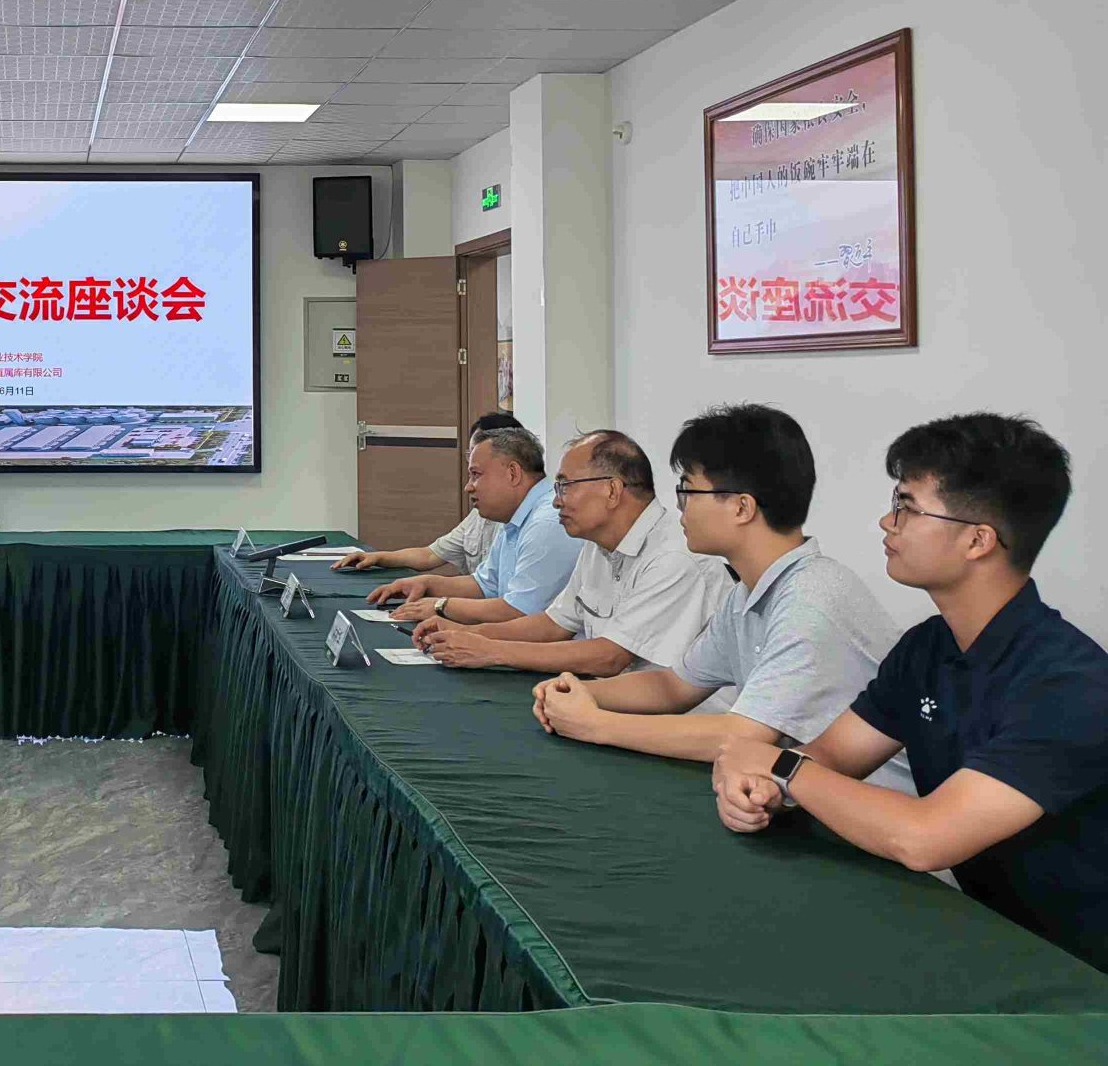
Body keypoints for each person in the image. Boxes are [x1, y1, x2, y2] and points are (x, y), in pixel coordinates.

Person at [712, 414, 1107, 973]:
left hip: (1080, 974)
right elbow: (833, 754)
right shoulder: (928, 646)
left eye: (907, 506)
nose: (886, 521)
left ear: (977, 540)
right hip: (988, 937)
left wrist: (776, 764)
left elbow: (925, 838)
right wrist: (759, 788)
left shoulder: (1071, 686)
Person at [532, 404, 904, 774]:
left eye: (688, 492)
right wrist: (578, 691)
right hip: (786, 791)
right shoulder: (748, 594)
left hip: (863, 798)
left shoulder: (809, 601)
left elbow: (741, 736)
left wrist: (595, 725)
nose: (680, 508)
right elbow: (673, 686)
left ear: (742, 508)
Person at [413, 430, 727, 673]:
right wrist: (470, 634)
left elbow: (610, 657)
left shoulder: (673, 557)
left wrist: (490, 651)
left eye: (566, 486)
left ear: (612, 490)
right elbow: (554, 624)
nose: (556, 501)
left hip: (680, 724)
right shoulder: (598, 545)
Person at [370, 427, 578, 626]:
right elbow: (484, 585)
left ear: (513, 473)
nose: (468, 487)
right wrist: (426, 583)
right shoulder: (516, 516)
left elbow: (519, 611)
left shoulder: (547, 523)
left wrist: (441, 606)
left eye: (476, 475)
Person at [335, 411, 521, 579]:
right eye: (470, 454)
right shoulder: (480, 514)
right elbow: (430, 555)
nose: (468, 486)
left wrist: (435, 594)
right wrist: (378, 557)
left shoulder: (522, 523)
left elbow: (495, 591)